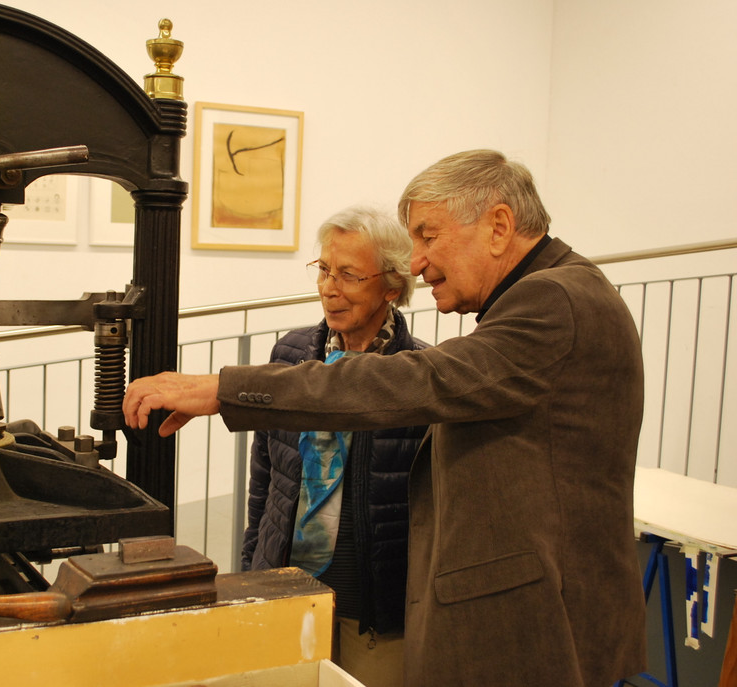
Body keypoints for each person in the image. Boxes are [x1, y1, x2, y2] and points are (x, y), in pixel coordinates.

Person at [124, 149, 647, 687]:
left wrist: (223, 389)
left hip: (539, 623)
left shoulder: (553, 300)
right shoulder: (545, 296)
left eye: (428, 236)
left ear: (498, 226)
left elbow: (409, 379)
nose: (417, 260)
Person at [242, 205, 428, 687]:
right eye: (324, 269)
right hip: (289, 594)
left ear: (392, 286)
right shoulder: (290, 354)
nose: (329, 287)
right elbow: (266, 478)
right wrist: (251, 573)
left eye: (348, 275)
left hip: (376, 612)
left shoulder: (419, 374)